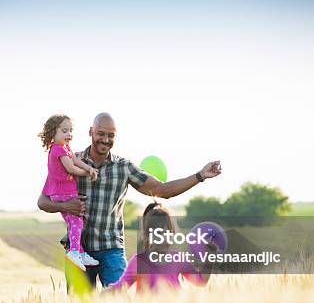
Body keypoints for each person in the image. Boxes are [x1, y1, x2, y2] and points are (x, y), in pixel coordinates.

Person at [37, 112, 222, 290]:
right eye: (100, 134)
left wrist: (200, 175)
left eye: (111, 135)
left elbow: (161, 190)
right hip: (79, 251)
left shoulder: (123, 167)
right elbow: (43, 201)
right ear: (90, 132)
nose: (105, 139)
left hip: (112, 251)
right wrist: (64, 206)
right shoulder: (69, 161)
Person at [106, 202, 212, 292]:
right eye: (159, 233)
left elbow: (201, 282)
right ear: (147, 235)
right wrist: (100, 295)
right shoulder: (138, 261)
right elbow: (120, 288)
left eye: (168, 233)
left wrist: (209, 257)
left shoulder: (178, 258)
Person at [38, 114, 99, 271]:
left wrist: (89, 168)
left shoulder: (65, 148)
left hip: (60, 192)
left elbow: (76, 161)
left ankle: (80, 252)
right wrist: (88, 173)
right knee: (77, 221)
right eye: (65, 131)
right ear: (53, 133)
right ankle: (73, 252)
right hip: (63, 191)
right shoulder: (58, 149)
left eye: (71, 130)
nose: (69, 134)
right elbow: (71, 168)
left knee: (74, 222)